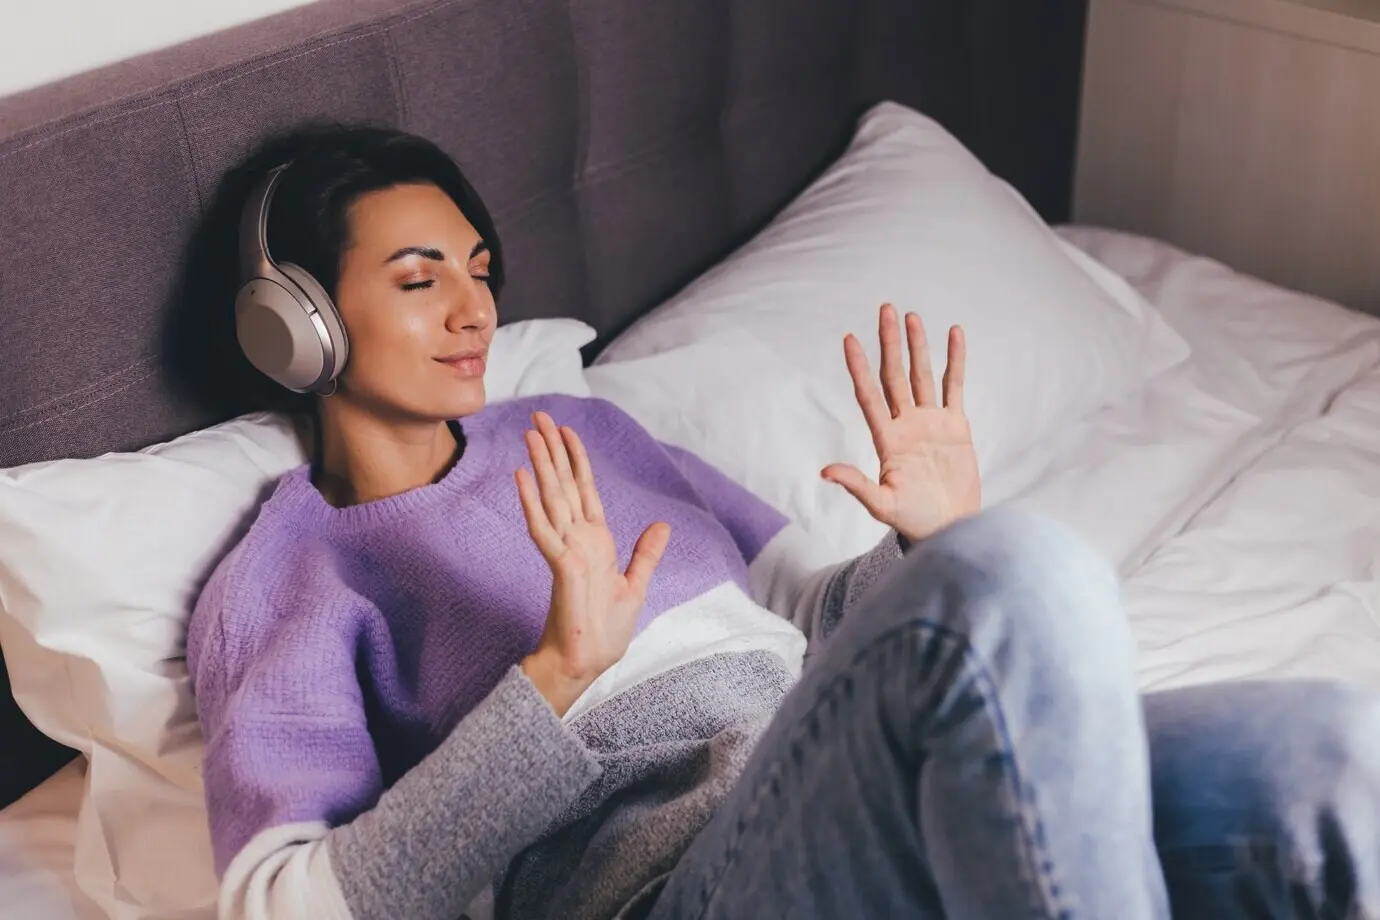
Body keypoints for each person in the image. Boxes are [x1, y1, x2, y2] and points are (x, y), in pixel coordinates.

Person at [186, 124, 1380, 920]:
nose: (473, 306)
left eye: (480, 266)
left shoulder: (588, 430)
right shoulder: (295, 569)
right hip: (680, 887)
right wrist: (550, 687)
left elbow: (827, 619)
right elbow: (287, 903)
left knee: (1330, 753)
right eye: (417, 276)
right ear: (296, 320)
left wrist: (920, 542)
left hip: (855, 784)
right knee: (1016, 573)